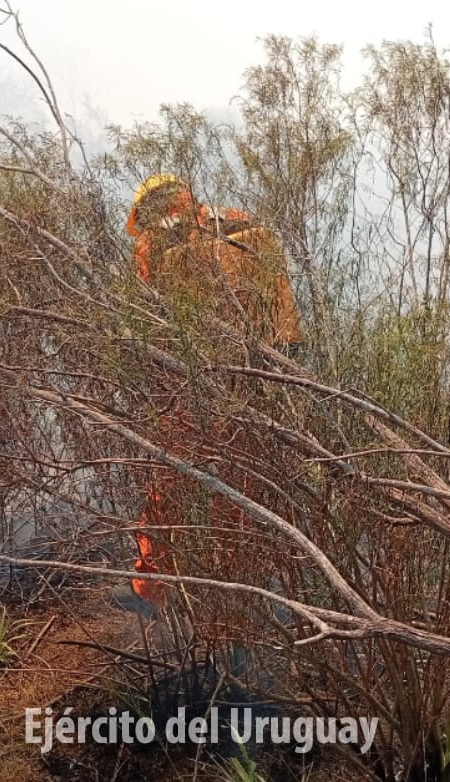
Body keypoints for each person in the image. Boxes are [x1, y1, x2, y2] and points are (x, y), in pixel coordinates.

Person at [117, 173, 303, 613]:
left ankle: (152, 591)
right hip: (264, 378)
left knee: (169, 487)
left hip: (194, 383)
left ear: (148, 212)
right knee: (250, 482)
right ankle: (257, 588)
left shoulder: (153, 247)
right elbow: (284, 308)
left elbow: (148, 321)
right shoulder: (243, 222)